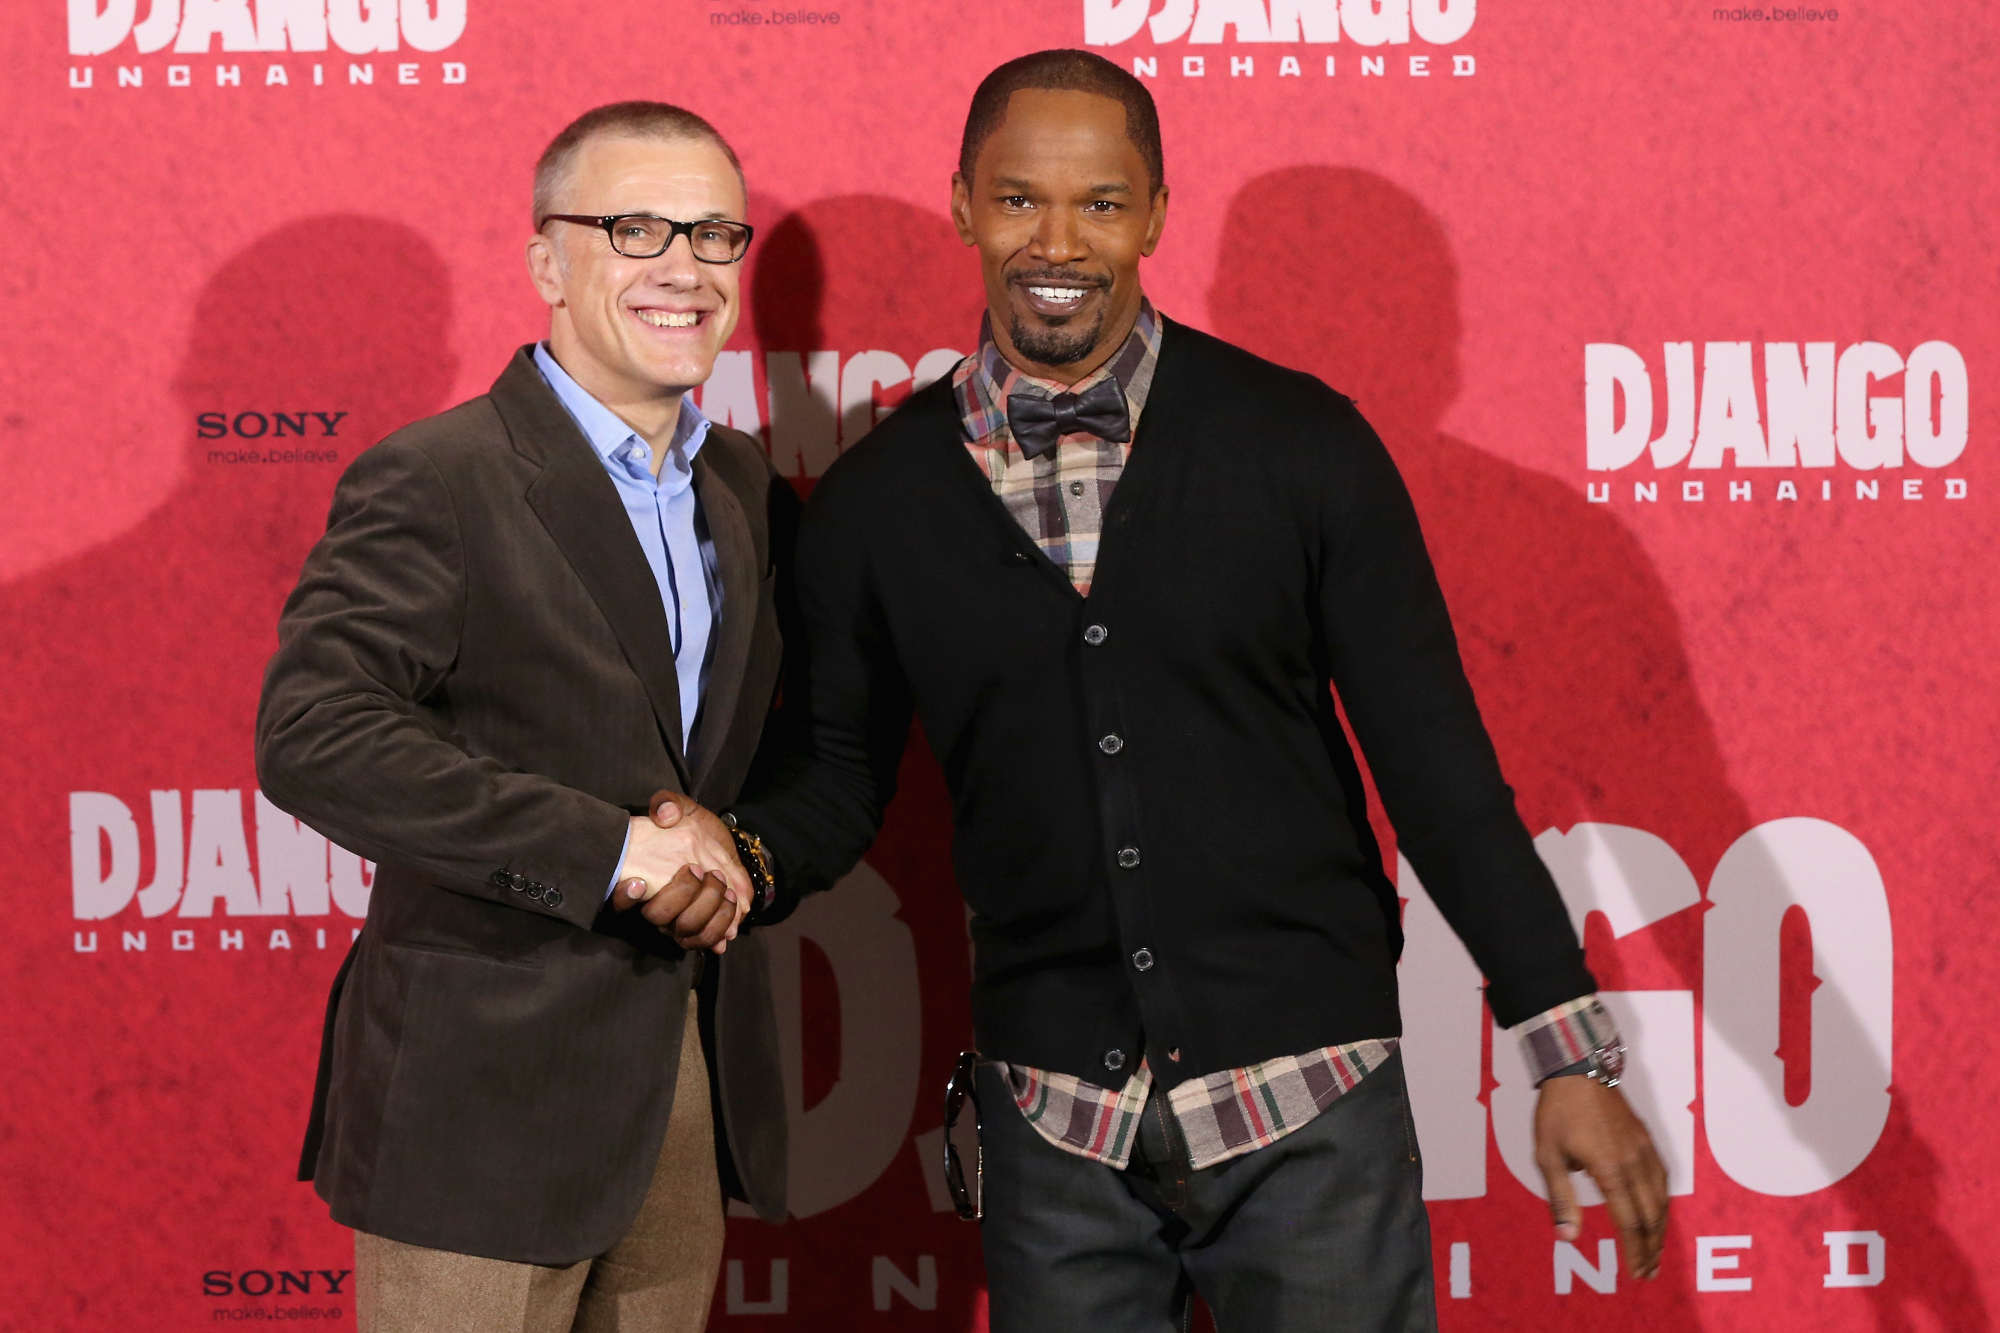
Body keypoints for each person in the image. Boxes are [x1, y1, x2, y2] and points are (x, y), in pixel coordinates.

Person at [704, 51, 1669, 1331]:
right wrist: (729, 857)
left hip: (1310, 1105)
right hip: (1055, 1135)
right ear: (961, 203)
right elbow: (836, 775)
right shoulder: (876, 504)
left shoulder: (1302, 445)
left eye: (1100, 203)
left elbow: (1437, 778)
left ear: (1156, 214)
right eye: (1018, 200)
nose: (1058, 241)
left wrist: (1564, 1047)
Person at [255, 101, 796, 1333]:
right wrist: (611, 850)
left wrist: (725, 846)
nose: (683, 267)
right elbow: (315, 733)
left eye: (714, 234)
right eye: (635, 226)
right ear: (546, 262)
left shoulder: (745, 489)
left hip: (679, 1090)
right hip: (477, 1107)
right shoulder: (441, 476)